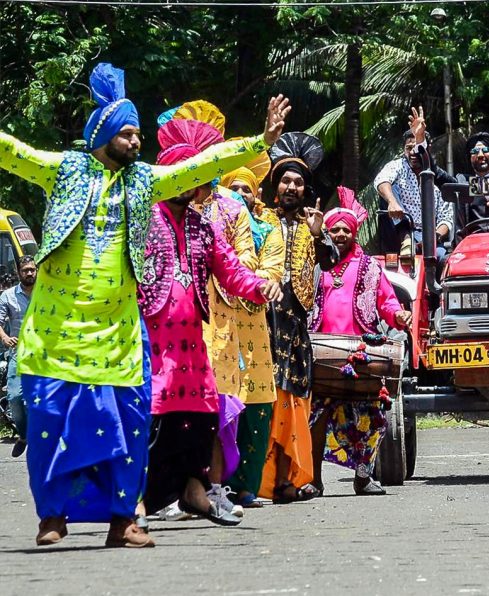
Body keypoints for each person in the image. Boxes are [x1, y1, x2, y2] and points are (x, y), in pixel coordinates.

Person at [0, 62, 289, 547]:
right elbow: (13, 152)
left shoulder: (145, 182)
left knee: (128, 429)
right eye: (128, 134)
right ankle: (52, 516)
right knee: (50, 422)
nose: (137, 144)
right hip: (54, 331)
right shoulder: (65, 171)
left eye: (138, 135)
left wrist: (256, 143)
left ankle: (123, 521)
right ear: (103, 134)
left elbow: (199, 167)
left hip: (117, 334)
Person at [139, 117, 282, 526]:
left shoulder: (204, 225)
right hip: (151, 339)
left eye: (195, 176)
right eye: (181, 175)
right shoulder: (144, 220)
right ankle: (141, 502)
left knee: (202, 416)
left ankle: (196, 492)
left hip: (193, 343)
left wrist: (260, 287)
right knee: (153, 417)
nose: (189, 184)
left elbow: (232, 270)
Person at [308, 190, 412, 495]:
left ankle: (363, 476)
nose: (340, 234)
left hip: (360, 353)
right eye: (335, 230)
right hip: (321, 351)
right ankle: (314, 479)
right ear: (327, 233)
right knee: (316, 419)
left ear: (354, 234)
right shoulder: (315, 266)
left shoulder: (370, 267)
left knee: (368, 417)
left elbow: (388, 303)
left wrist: (399, 317)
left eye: (346, 230)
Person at [260, 132, 339, 503]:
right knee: (266, 398)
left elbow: (331, 261)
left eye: (298, 182)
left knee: (293, 400)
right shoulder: (260, 222)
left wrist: (318, 234)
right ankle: (261, 481)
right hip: (262, 324)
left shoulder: (312, 228)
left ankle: (288, 478)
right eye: (286, 180)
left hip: (294, 329)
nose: (292, 186)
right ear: (275, 187)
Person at [221, 152, 286, 509]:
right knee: (223, 404)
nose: (241, 195)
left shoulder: (269, 227)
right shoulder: (215, 222)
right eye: (235, 188)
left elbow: (272, 269)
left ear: (257, 194)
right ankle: (220, 484)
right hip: (219, 324)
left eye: (247, 189)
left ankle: (247, 486)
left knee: (257, 408)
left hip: (255, 325)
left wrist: (247, 283)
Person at [374, 108, 455, 257]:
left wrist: (433, 239)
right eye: (408, 148)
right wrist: (392, 202)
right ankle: (406, 240)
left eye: (416, 148)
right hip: (399, 235)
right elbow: (381, 179)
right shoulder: (397, 166)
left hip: (431, 238)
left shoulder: (437, 176)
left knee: (445, 259)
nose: (412, 153)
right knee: (390, 189)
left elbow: (446, 219)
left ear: (427, 149)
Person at [0, 255, 37, 458]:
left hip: (44, 354)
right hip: (18, 353)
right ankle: (23, 435)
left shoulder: (46, 294)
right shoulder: (8, 296)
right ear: (18, 273)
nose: (30, 273)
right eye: (26, 270)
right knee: (15, 397)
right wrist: (5, 337)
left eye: (32, 269)